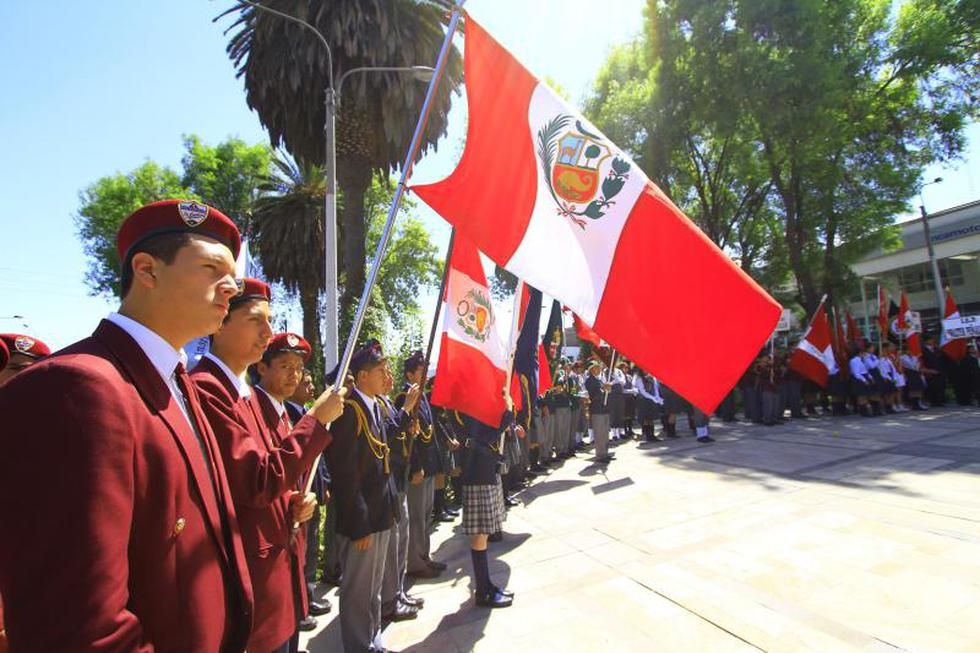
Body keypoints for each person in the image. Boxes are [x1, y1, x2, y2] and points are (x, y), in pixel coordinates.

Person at [0, 199, 253, 651]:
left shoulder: (176, 382)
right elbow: (79, 626)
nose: (232, 287)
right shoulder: (78, 387)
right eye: (213, 269)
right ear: (147, 270)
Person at [193, 288, 345, 653]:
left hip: (278, 579)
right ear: (219, 323)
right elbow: (257, 482)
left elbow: (272, 477)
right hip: (252, 586)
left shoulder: (242, 395)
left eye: (269, 321)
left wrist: (292, 502)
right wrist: (315, 420)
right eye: (255, 320)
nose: (267, 331)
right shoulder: (208, 389)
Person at [326, 340, 400, 653]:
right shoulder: (349, 410)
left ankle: (372, 638)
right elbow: (344, 474)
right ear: (362, 376)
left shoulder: (375, 405)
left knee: (373, 587)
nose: (387, 376)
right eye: (381, 371)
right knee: (357, 589)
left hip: (380, 511)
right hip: (362, 519)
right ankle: (358, 645)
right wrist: (359, 524)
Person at [286, 369, 334, 619]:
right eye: (306, 383)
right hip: (300, 494)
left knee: (312, 544)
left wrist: (324, 481)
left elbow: (319, 456)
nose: (311, 387)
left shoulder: (306, 413)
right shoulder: (291, 415)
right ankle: (301, 603)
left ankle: (308, 595)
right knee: (303, 549)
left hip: (313, 489)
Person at [378, 363, 424, 624]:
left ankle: (397, 592)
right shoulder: (379, 405)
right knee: (393, 543)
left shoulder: (385, 404)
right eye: (381, 373)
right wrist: (406, 410)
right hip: (390, 481)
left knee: (401, 539)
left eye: (388, 373)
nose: (388, 378)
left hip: (398, 479)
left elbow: (398, 435)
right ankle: (389, 599)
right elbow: (388, 438)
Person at [460, 401, 516, 609]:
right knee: (480, 534)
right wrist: (502, 424)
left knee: (485, 532)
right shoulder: (461, 406)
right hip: (476, 473)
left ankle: (487, 585)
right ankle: (483, 590)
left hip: (486, 469)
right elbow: (477, 439)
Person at [397, 351, 447, 580]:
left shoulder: (423, 396)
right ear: (409, 374)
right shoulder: (404, 398)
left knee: (426, 514)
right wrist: (416, 466)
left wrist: (436, 465)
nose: (425, 374)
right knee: (416, 517)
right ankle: (415, 563)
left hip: (428, 464)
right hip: (417, 468)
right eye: (420, 370)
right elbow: (409, 439)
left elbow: (429, 432)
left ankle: (424, 556)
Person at [585, 359, 614, 462]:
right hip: (597, 410)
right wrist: (603, 389)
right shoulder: (589, 380)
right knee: (599, 433)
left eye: (599, 367)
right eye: (597, 367)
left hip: (604, 409)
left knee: (605, 432)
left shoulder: (599, 380)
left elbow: (605, 393)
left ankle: (605, 453)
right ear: (592, 369)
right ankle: (600, 455)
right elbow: (593, 395)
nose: (599, 369)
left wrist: (608, 390)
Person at [921, 334, 947, 406]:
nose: (932, 341)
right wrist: (927, 370)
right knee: (932, 386)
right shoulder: (923, 349)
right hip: (929, 370)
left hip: (939, 369)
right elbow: (923, 360)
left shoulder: (937, 349)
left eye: (932, 339)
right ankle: (932, 401)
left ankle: (939, 400)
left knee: (940, 385)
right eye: (930, 339)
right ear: (926, 341)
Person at [849, 344, 874, 416]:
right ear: (860, 353)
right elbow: (856, 373)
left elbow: (865, 370)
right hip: (859, 379)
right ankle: (863, 411)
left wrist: (870, 377)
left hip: (864, 376)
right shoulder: (854, 361)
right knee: (861, 395)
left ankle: (865, 410)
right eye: (863, 352)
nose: (864, 354)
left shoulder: (861, 360)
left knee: (865, 395)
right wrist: (864, 380)